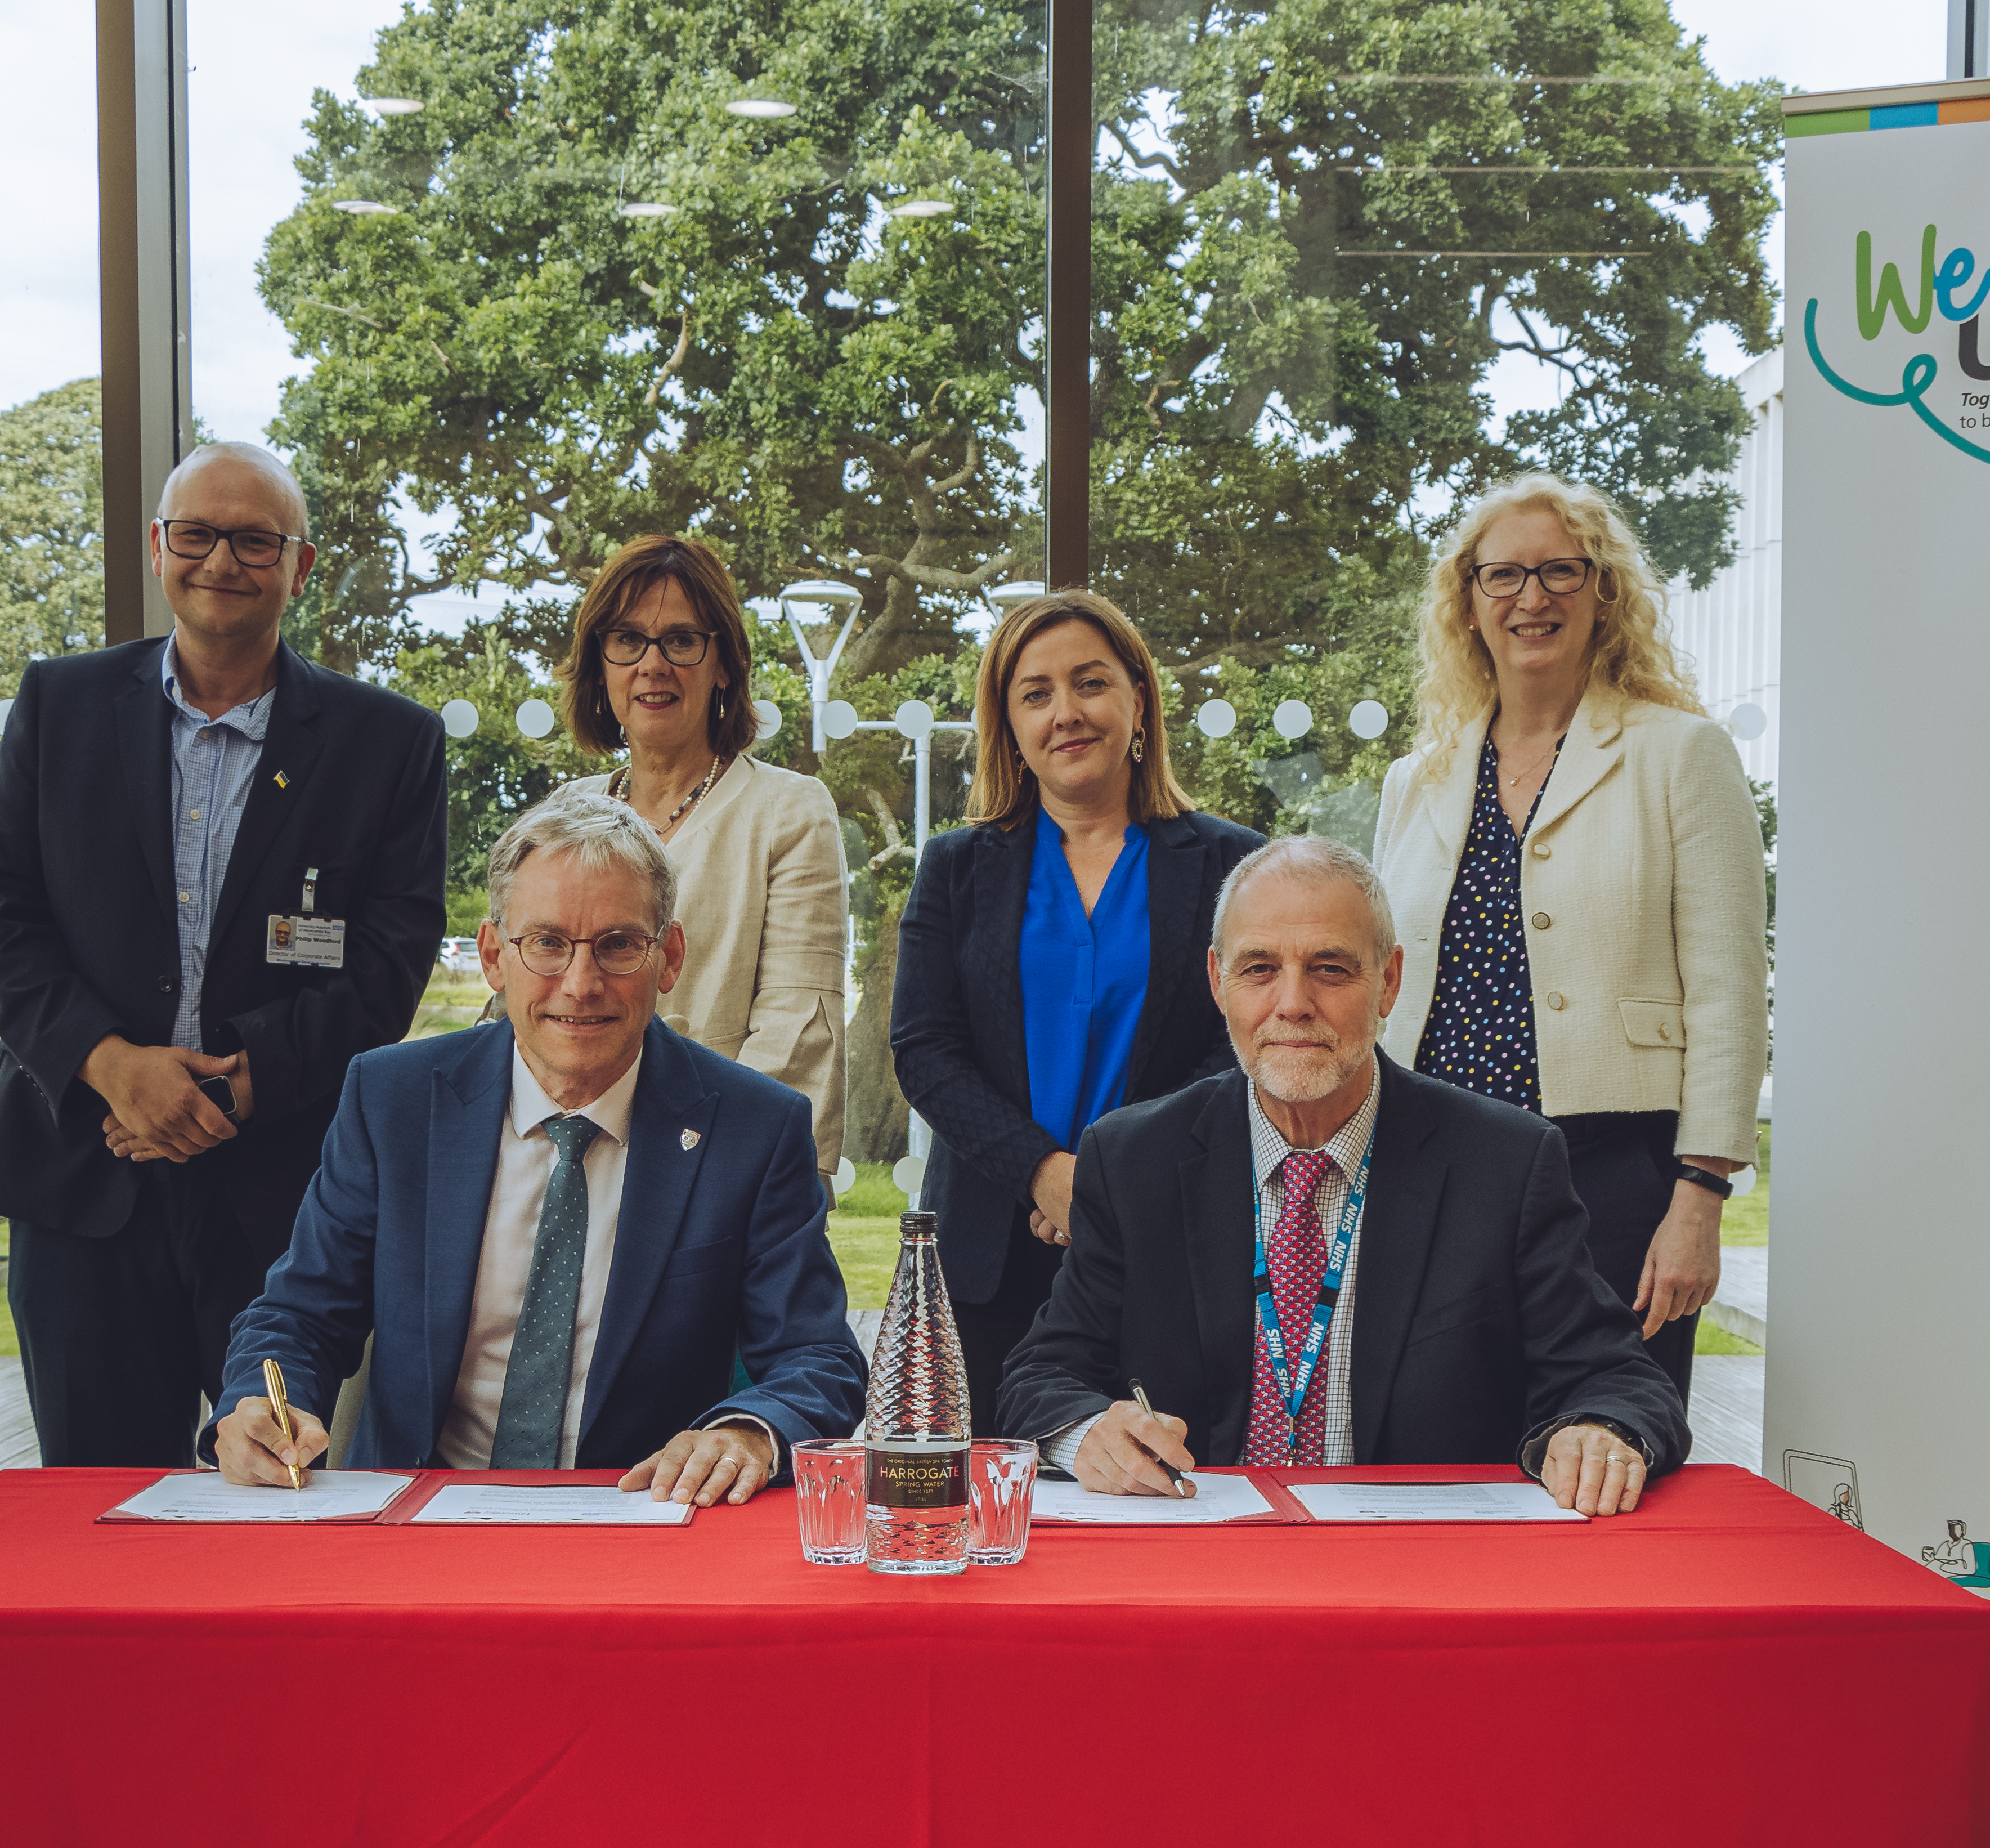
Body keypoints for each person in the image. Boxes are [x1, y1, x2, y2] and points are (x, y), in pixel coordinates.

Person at [0, 438, 449, 1466]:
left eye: (255, 540)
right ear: (157, 547)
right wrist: (111, 1067)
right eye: (197, 534)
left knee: (281, 1490)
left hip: (280, 1197)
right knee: (99, 1510)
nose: (222, 559)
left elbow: (393, 957)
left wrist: (244, 1083)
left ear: (299, 565)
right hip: (81, 1181)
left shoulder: (387, 744)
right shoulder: (59, 707)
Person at [995, 836, 1686, 1511]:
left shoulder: (1506, 1162)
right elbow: (1041, 1374)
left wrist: (1602, 1432)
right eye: (1259, 968)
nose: (1292, 1003)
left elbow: (1617, 1377)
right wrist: (1088, 1432)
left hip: (1415, 1576)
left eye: (1330, 968)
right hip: (1199, 1569)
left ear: (1388, 981)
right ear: (1218, 981)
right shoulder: (1131, 1158)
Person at [214, 796, 865, 1500]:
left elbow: (818, 1357)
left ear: (668, 956)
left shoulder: (755, 1128)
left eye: (618, 945)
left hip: (639, 1525)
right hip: (412, 1521)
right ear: (495, 956)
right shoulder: (393, 1099)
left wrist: (747, 1432)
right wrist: (256, 1403)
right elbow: (300, 1314)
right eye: (548, 944)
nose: (581, 985)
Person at [1372, 472, 1769, 1403]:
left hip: (1617, 1177)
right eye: (1503, 576)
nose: (1532, 598)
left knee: (1609, 1443)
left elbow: (1729, 995)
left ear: (1604, 593)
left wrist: (1699, 1199)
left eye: (1560, 571)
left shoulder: (1681, 755)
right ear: (1467, 603)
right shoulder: (1415, 780)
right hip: (1433, 1167)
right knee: (1442, 1447)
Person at [891, 589, 1265, 1431]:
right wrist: (1042, 1173)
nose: (1067, 713)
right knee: (988, 1503)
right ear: (1009, 726)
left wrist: (1108, 1181)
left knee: (1159, 1494)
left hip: (1165, 1235)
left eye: (1090, 683)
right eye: (1036, 693)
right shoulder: (954, 868)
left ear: (1138, 700)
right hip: (988, 1245)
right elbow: (924, 1049)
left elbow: (1238, 1040)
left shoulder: (1232, 863)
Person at [543, 535, 848, 1166]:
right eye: (627, 640)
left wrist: (690, 1172)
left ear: (725, 664)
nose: (653, 665)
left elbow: (795, 1040)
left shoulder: (790, 811)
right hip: (564, 1159)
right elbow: (524, 1008)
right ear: (601, 663)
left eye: (681, 641)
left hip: (723, 1173)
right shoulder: (561, 817)